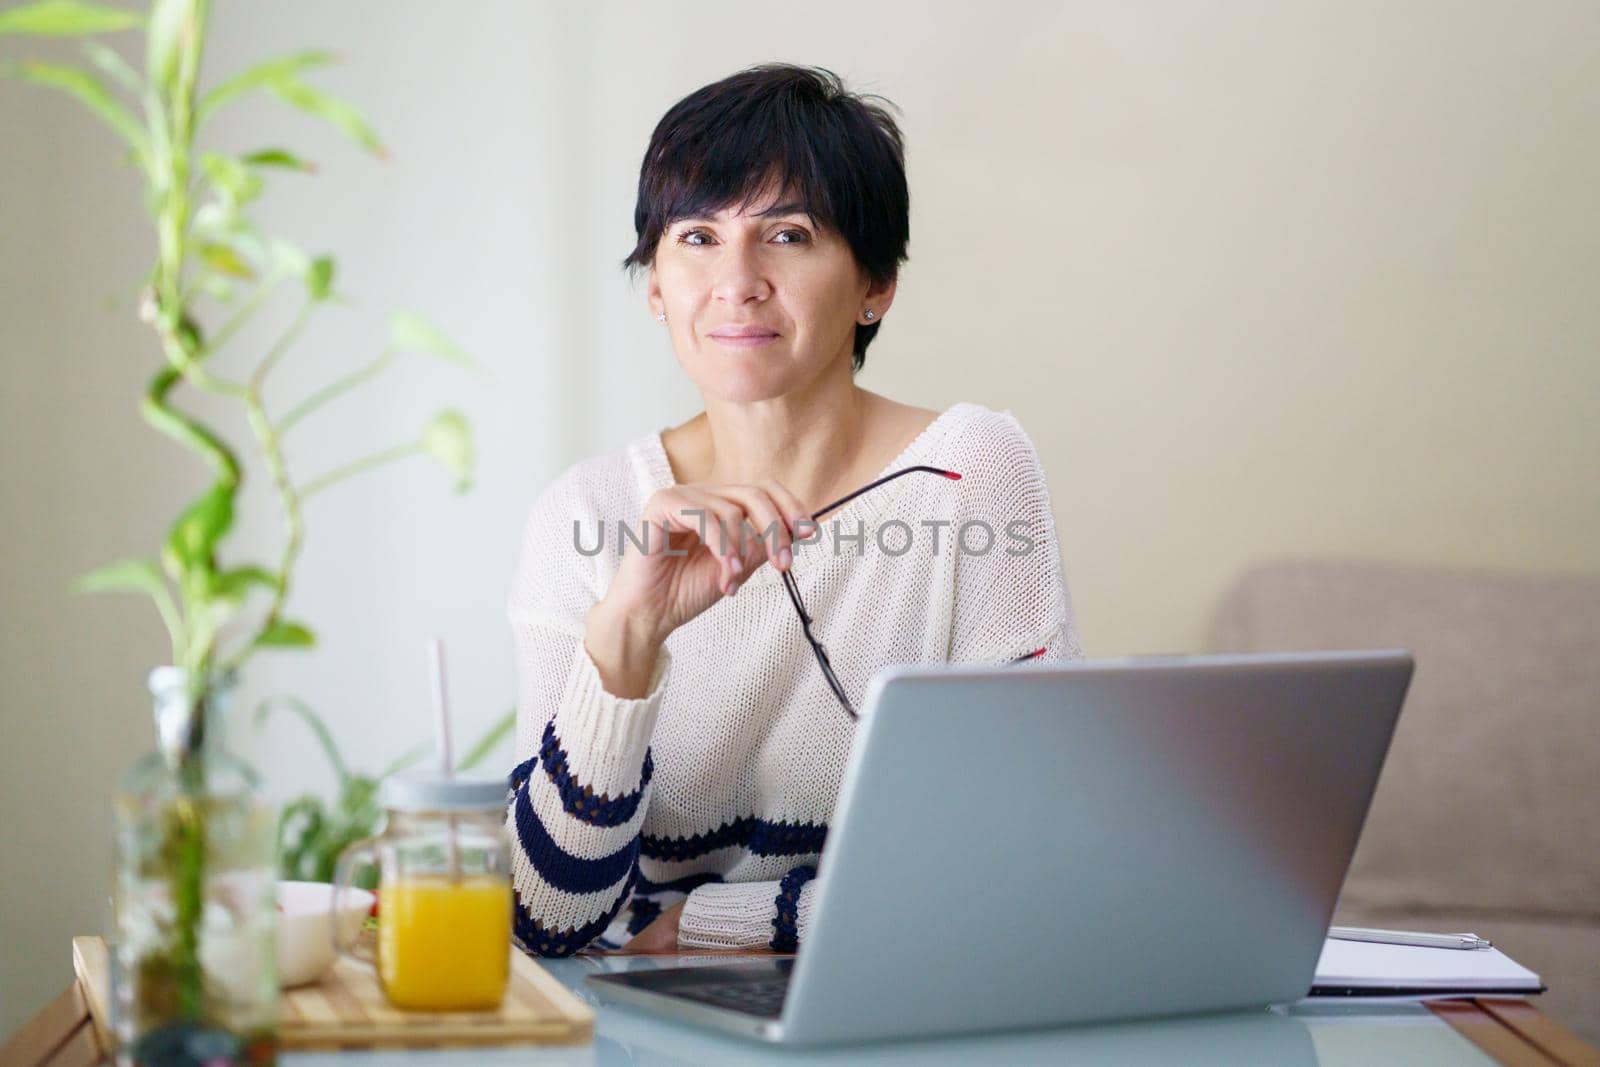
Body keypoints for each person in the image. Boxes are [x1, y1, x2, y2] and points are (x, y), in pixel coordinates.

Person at [505, 63, 1083, 957]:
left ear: (875, 285)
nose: (736, 281)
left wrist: (705, 920)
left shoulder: (970, 472)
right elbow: (550, 917)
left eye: (787, 234)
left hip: (898, 999)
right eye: (697, 237)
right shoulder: (585, 512)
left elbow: (1017, 860)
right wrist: (627, 634)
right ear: (655, 286)